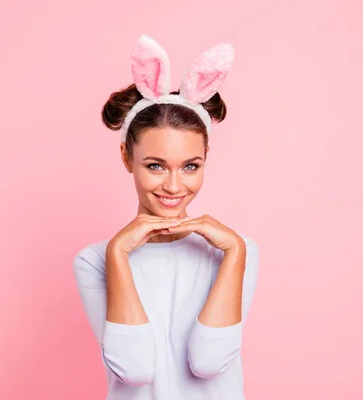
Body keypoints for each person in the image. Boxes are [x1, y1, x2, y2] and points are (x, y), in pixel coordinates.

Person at [73, 34, 260, 400]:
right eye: (155, 165)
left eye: (190, 166)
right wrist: (117, 254)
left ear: (206, 157)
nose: (174, 186)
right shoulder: (94, 261)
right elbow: (135, 369)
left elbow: (209, 361)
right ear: (127, 157)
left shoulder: (235, 251)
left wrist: (235, 251)